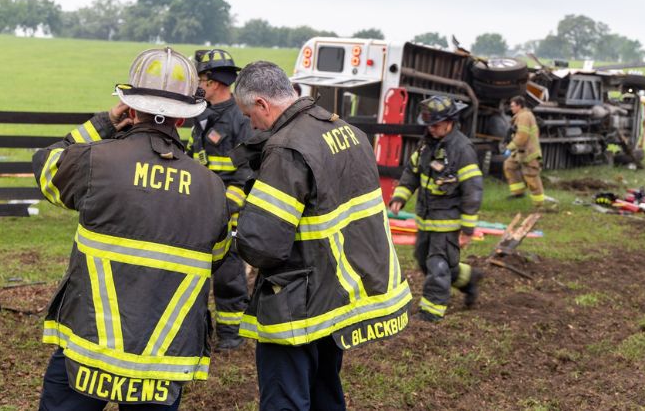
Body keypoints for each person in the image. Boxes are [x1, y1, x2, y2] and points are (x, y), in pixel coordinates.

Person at [33, 47, 230, 411]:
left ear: (131, 108)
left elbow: (46, 168)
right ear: (182, 120)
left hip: (89, 348)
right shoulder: (212, 188)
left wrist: (104, 124)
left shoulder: (96, 162)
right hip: (163, 358)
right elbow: (217, 255)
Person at [232, 61, 411, 411]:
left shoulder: (286, 150)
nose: (251, 125)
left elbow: (263, 245)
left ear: (263, 104)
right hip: (337, 296)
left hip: (297, 302)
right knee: (325, 390)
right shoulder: (346, 131)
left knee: (285, 398)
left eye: (249, 115)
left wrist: (236, 233)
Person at [389, 95, 484, 322]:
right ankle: (469, 278)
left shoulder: (462, 149)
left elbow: (473, 190)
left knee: (437, 265)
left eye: (436, 125)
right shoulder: (426, 145)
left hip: (448, 223)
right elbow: (412, 172)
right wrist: (400, 197)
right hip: (426, 220)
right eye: (429, 125)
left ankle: (430, 313)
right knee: (425, 260)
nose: (431, 129)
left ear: (450, 121)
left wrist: (468, 229)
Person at [188, 49, 252, 351]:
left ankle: (231, 334)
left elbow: (247, 170)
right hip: (199, 210)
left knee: (229, 277)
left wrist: (227, 206)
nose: (198, 85)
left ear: (214, 83)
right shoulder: (199, 115)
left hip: (230, 214)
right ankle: (202, 330)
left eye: (201, 79)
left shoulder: (240, 119)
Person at [503, 95, 546, 207]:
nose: (511, 108)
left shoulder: (524, 117)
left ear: (519, 106)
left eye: (513, 106)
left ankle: (539, 203)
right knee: (509, 166)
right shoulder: (521, 116)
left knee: (531, 177)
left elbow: (522, 136)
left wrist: (510, 147)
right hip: (521, 151)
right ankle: (519, 193)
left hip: (529, 153)